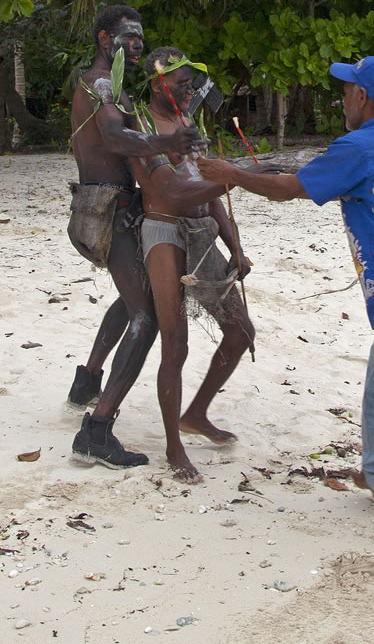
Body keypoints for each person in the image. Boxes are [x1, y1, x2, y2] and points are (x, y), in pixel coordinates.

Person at [198, 56, 374, 556]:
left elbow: (288, 190)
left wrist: (231, 173)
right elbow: (316, 174)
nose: (341, 98)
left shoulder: (359, 145)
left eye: (347, 91)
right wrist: (251, 171)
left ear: (363, 98)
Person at [67, 6, 202, 468]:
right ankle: (97, 430)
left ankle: (87, 381)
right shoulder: (103, 84)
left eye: (142, 38)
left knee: (129, 300)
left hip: (104, 206)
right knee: (146, 319)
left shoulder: (114, 85)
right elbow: (115, 137)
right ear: (105, 38)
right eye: (129, 37)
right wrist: (168, 144)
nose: (138, 44)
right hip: (109, 208)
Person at [128, 46, 259, 482]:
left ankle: (196, 413)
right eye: (181, 84)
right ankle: (173, 445)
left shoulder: (189, 123)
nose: (190, 91)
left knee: (241, 331)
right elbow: (174, 196)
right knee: (176, 344)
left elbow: (207, 189)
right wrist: (235, 177)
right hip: (164, 230)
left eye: (191, 83)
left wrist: (234, 244)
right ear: (156, 84)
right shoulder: (143, 128)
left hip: (201, 232)